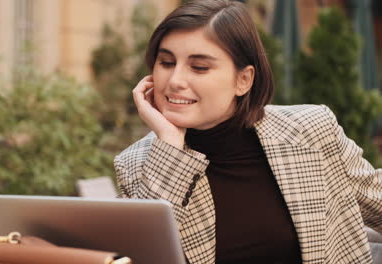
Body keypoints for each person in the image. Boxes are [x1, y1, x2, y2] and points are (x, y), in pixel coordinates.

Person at [114, 0, 382, 263]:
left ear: (243, 80)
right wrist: (171, 145)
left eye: (199, 67)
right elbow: (143, 256)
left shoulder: (311, 130)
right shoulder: (136, 164)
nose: (175, 81)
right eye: (167, 62)